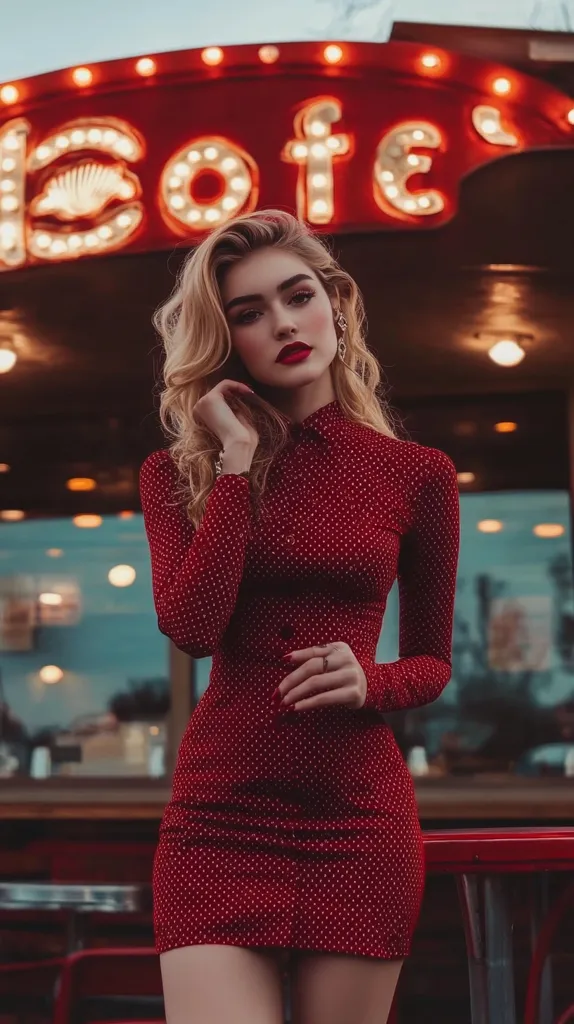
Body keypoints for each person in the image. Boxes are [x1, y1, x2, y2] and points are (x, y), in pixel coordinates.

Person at [140, 209, 460, 1024]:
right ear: (227, 341)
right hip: (219, 817)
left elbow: (432, 662)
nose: (283, 323)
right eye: (249, 313)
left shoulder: (417, 474)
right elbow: (193, 629)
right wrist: (236, 465)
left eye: (299, 296)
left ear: (337, 304)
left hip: (359, 820)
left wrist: (370, 681)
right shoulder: (176, 476)